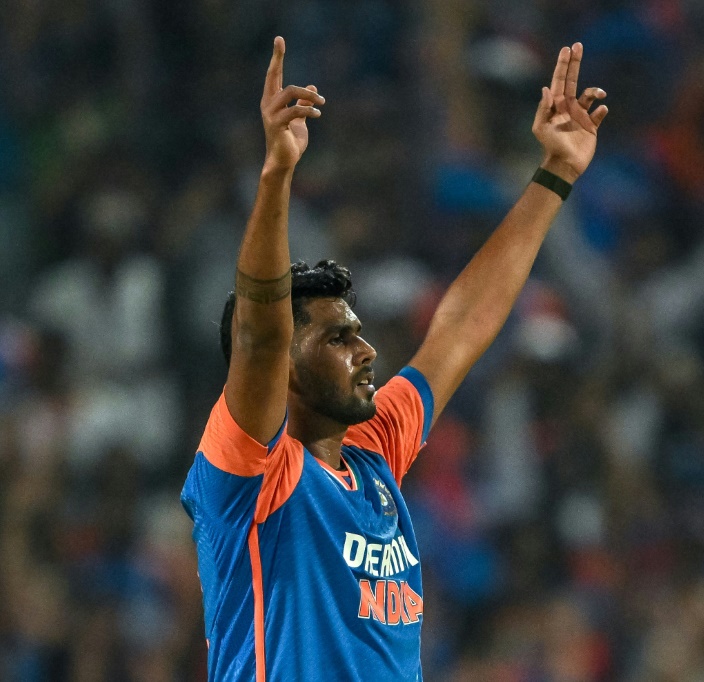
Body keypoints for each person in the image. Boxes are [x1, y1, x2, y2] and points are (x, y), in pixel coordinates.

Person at [180, 36, 608, 681]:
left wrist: (555, 176)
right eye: (336, 338)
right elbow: (259, 335)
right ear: (283, 372)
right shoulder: (249, 473)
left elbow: (460, 329)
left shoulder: (374, 449)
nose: (366, 350)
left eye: (356, 331)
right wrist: (277, 177)